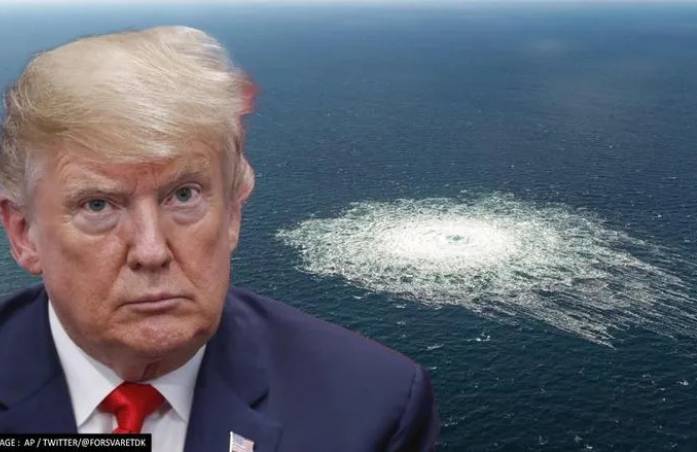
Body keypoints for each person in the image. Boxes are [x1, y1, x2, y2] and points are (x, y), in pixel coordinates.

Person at [0, 26, 439, 452]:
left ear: (232, 213)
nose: (151, 251)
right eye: (98, 205)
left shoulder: (374, 409)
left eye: (184, 195)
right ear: (23, 234)